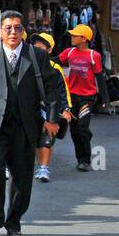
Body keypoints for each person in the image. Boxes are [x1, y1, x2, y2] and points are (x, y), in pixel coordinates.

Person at [0, 12, 63, 236]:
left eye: (18, 28)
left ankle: (14, 220)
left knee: (22, 177)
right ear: (0, 31)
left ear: (24, 31)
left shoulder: (37, 56)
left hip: (25, 125)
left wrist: (51, 119)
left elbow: (52, 89)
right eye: (8, 28)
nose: (12, 32)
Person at [56, 24, 103, 173]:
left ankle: (85, 160)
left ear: (84, 39)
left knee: (81, 129)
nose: (72, 37)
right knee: (75, 131)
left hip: (87, 98)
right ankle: (80, 158)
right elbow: (55, 61)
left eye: (75, 36)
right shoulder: (68, 52)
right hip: (71, 97)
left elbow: (99, 77)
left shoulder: (93, 56)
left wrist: (105, 100)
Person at [30, 32, 73, 183]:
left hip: (49, 109)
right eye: (35, 46)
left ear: (49, 50)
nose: (36, 49)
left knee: (46, 138)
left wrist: (66, 109)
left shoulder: (55, 68)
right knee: (36, 140)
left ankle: (44, 167)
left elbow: (63, 90)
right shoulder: (27, 64)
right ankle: (38, 164)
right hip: (31, 109)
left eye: (40, 47)